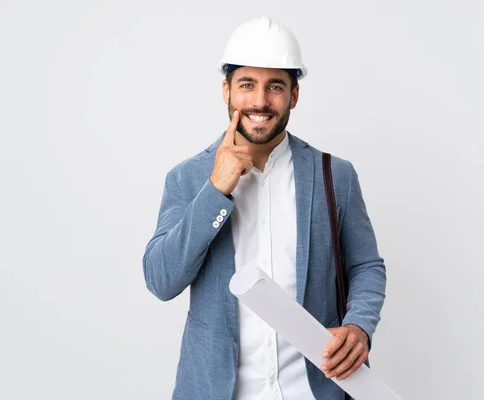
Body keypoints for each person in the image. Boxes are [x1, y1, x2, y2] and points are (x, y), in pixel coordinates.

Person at [142, 16, 387, 400]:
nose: (259, 101)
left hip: (313, 390)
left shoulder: (334, 175)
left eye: (275, 86)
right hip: (217, 391)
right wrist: (215, 189)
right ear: (226, 91)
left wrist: (359, 325)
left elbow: (366, 266)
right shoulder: (187, 178)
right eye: (247, 85)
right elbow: (161, 280)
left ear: (294, 95)